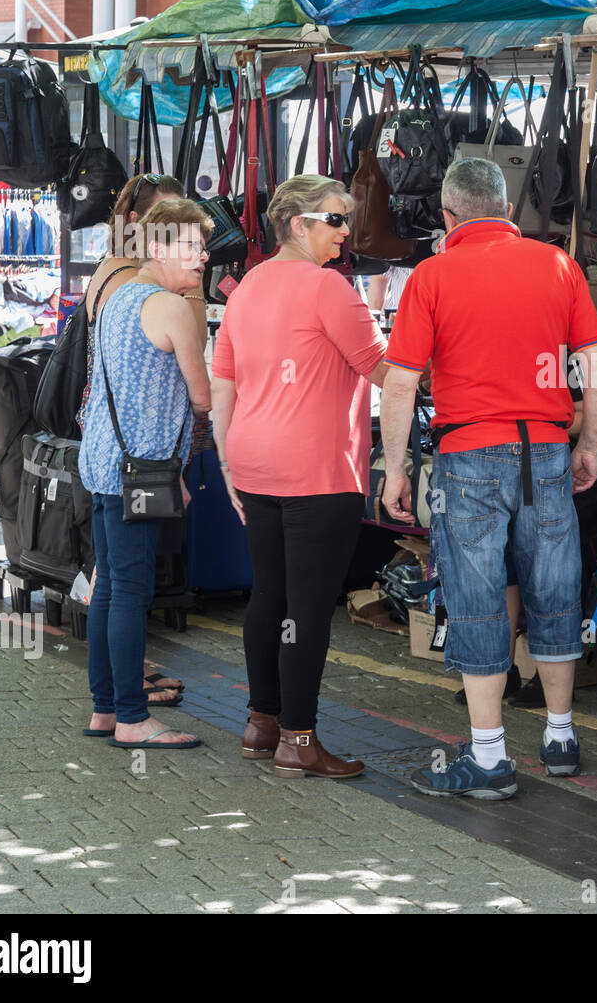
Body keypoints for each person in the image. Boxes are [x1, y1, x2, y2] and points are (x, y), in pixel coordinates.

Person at [380, 157, 597, 800]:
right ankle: (560, 736)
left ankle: (488, 758)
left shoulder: (431, 275)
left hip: (469, 455)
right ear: (508, 212)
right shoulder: (557, 264)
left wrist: (395, 467)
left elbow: (400, 380)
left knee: (480, 598)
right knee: (555, 584)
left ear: (448, 217)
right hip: (545, 450)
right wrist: (588, 441)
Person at [211, 174, 388, 779]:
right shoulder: (328, 289)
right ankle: (299, 739)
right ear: (298, 224)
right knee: (307, 608)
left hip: (256, 459)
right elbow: (386, 370)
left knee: (271, 595)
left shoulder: (248, 286)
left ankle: (263, 723)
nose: (346, 232)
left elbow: (223, 383)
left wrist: (229, 461)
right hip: (316, 467)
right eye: (335, 220)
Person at [79, 199, 212, 749]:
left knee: (110, 586)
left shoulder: (115, 298)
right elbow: (201, 397)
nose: (203, 258)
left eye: (203, 246)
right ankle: (135, 720)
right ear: (157, 248)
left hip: (105, 463)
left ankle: (106, 710)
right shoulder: (172, 308)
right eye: (192, 247)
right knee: (131, 593)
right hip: (141, 471)